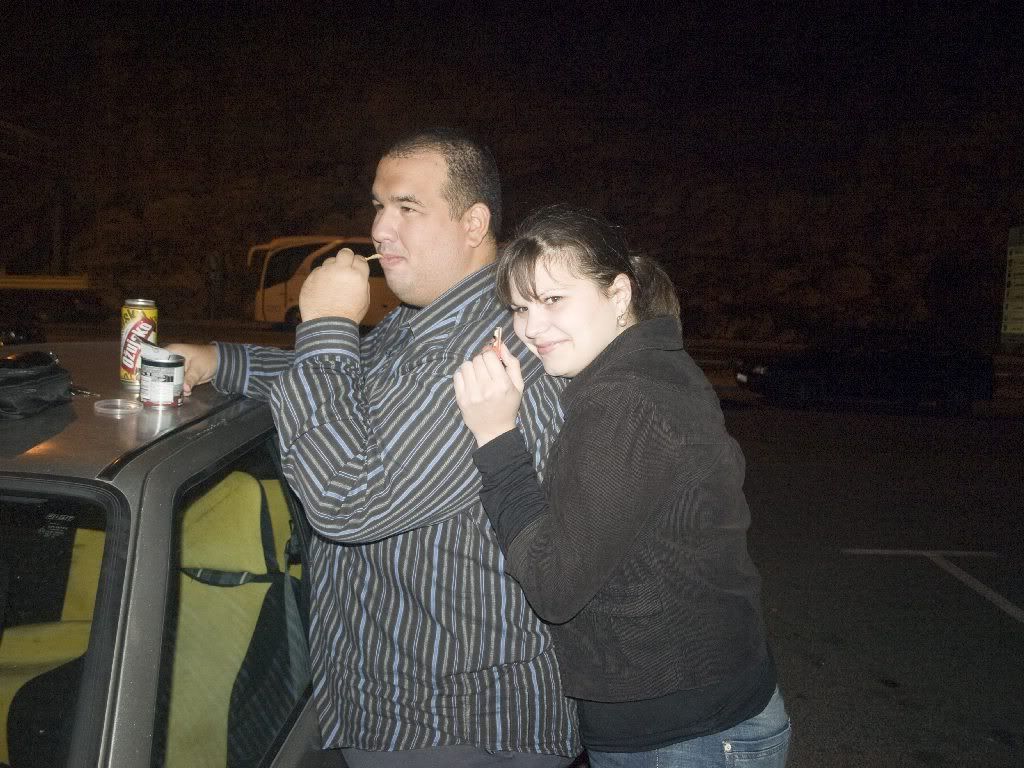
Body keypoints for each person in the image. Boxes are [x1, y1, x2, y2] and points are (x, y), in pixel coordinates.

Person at [168, 129, 579, 767]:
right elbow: (352, 384)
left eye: (407, 208)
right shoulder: (423, 321)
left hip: (459, 725)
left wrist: (328, 322)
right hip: (407, 707)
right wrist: (220, 362)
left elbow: (348, 500)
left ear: (474, 224)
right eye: (379, 207)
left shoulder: (488, 348)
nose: (379, 230)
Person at [452, 204, 791, 767]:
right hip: (704, 712)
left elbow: (554, 586)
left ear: (617, 294)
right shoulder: (651, 369)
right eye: (520, 307)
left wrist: (496, 436)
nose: (532, 327)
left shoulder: (624, 401)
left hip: (684, 734)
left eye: (553, 299)